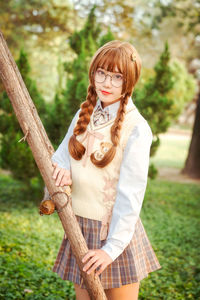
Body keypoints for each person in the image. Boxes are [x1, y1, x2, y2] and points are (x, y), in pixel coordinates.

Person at [50, 40, 162, 300]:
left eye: (117, 77)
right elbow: (60, 156)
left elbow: (130, 196)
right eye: (101, 73)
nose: (107, 83)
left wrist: (110, 249)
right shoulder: (84, 113)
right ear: (93, 73)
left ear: (129, 81)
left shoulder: (137, 128)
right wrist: (63, 170)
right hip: (81, 230)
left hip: (114, 235)